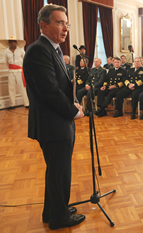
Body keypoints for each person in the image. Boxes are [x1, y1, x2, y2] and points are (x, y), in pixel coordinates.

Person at [23, 4, 85, 230]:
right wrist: (74, 111)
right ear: (43, 25)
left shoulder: (54, 49)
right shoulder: (38, 49)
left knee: (56, 170)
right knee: (60, 172)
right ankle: (60, 219)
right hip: (53, 124)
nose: (65, 28)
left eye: (66, 23)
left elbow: (60, 85)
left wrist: (74, 100)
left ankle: (52, 210)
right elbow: (49, 91)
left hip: (58, 122)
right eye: (60, 22)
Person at [1, 36, 29, 109]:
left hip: (19, 71)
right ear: (9, 43)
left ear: (16, 42)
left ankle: (26, 103)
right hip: (11, 72)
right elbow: (6, 62)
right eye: (10, 41)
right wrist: (11, 68)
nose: (12, 43)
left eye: (13, 41)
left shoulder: (21, 51)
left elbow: (25, 60)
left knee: (22, 88)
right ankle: (12, 104)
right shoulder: (6, 51)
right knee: (11, 88)